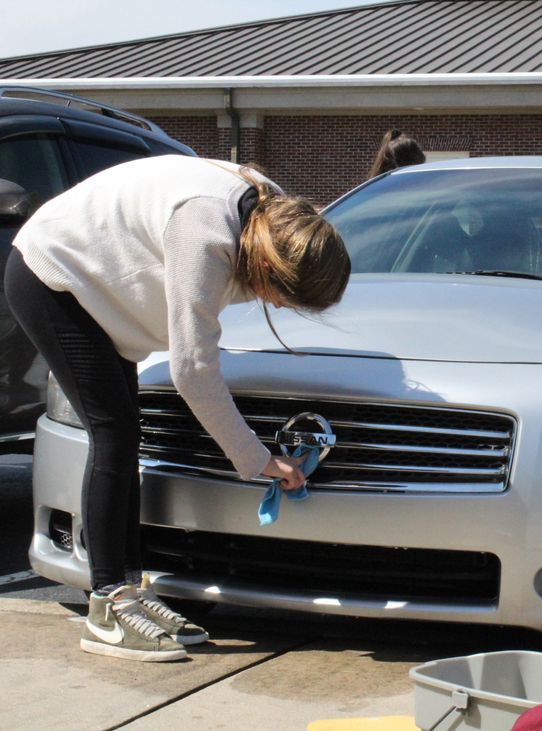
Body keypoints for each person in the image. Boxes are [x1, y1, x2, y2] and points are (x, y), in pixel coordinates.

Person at [4, 155, 350, 662]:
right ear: (272, 267)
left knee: (124, 434)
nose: (277, 307)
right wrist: (258, 460)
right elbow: (192, 369)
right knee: (114, 435)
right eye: (283, 298)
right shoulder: (207, 235)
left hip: (98, 292)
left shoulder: (278, 220)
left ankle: (129, 591)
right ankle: (107, 606)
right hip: (53, 277)